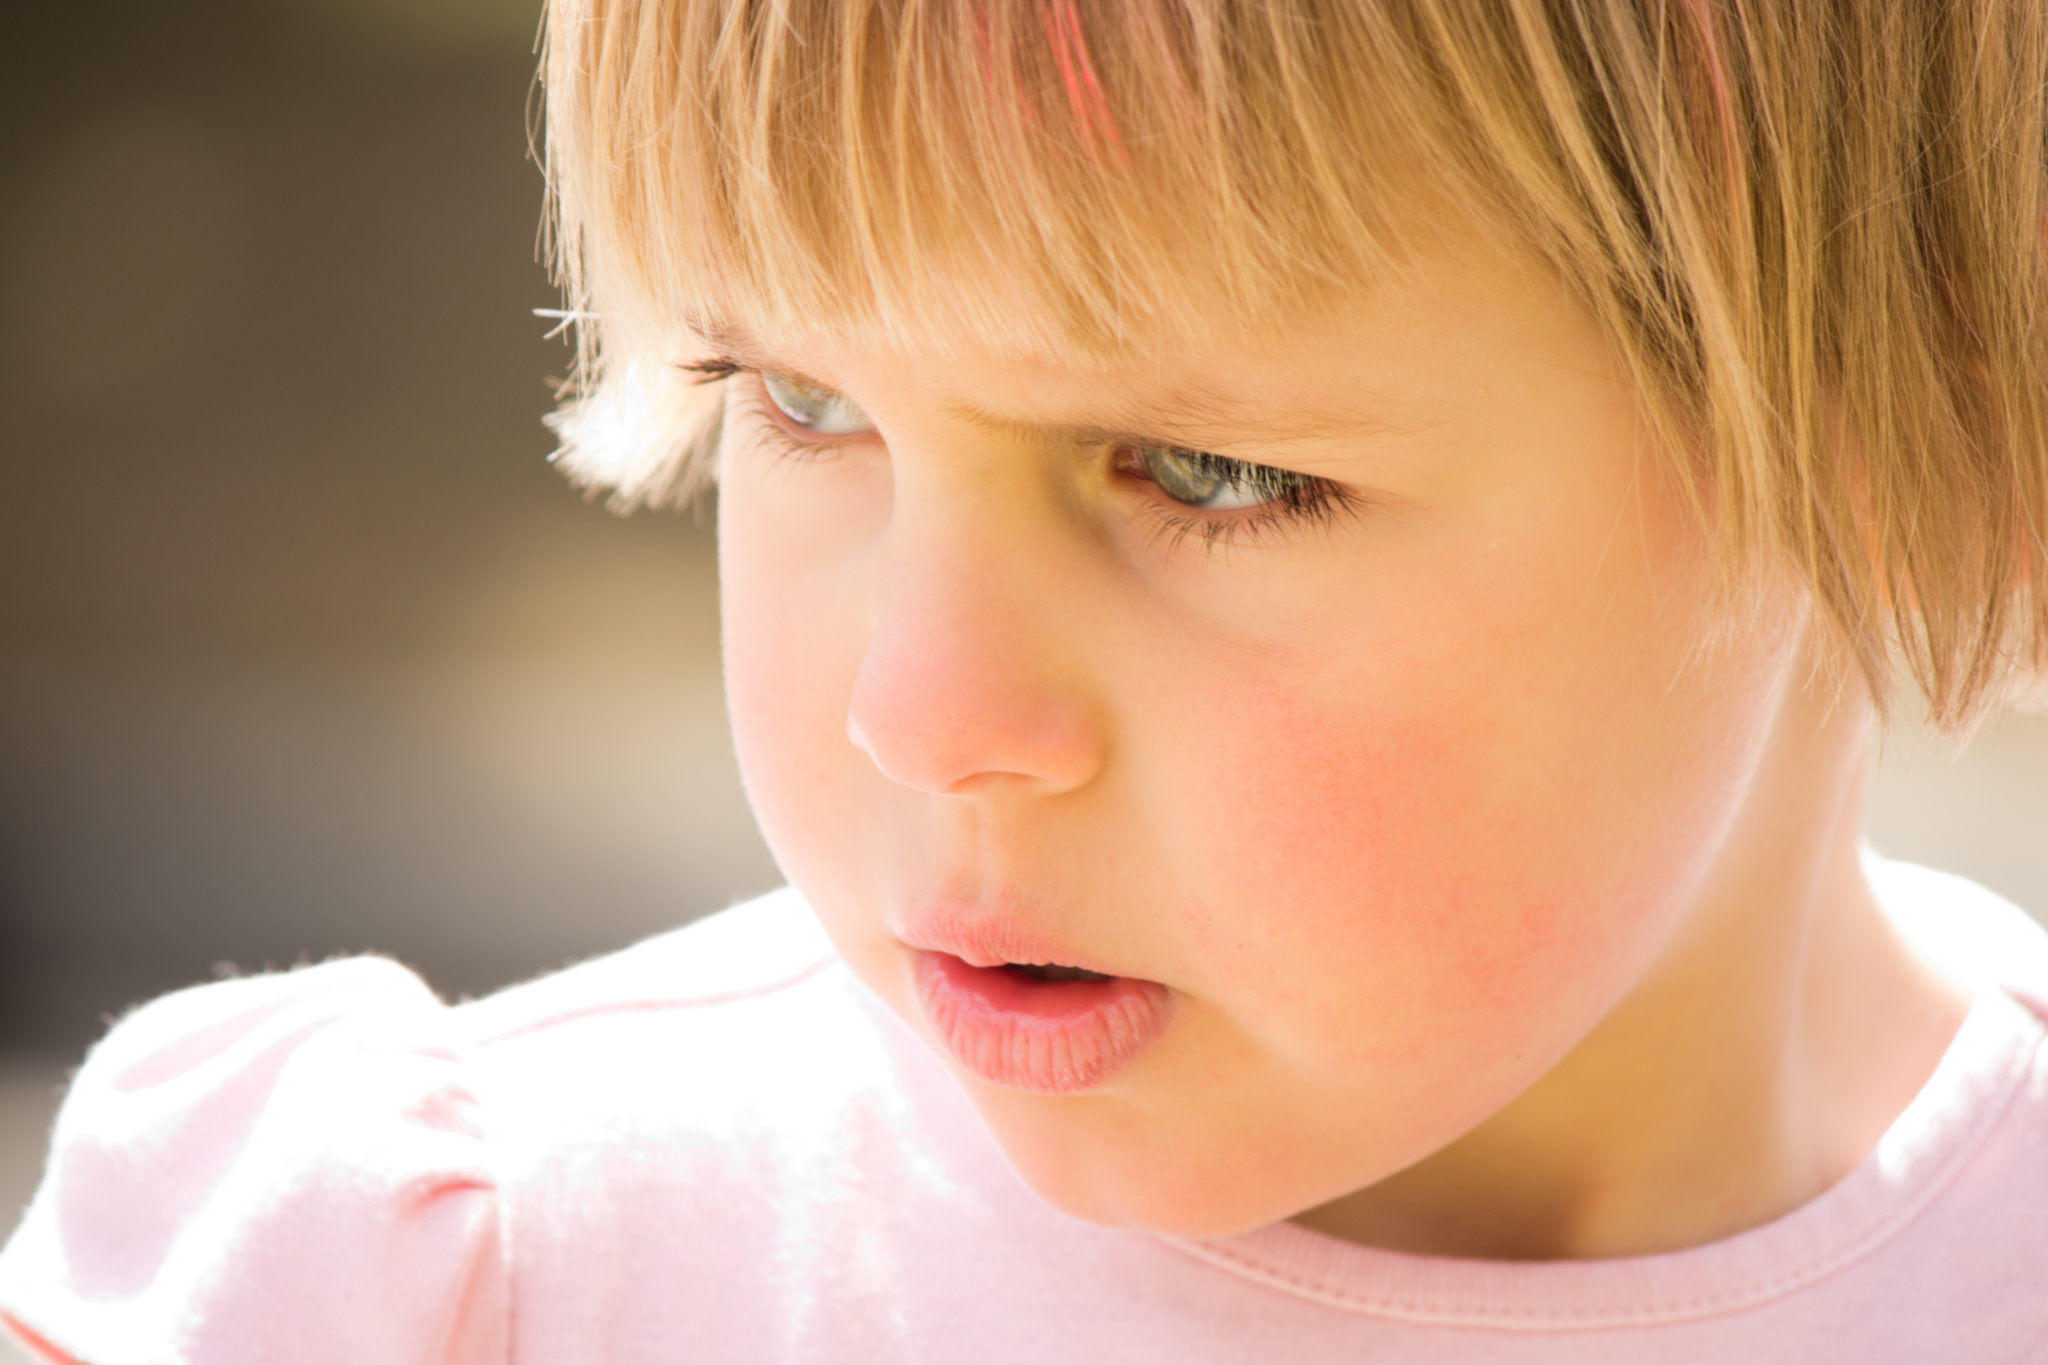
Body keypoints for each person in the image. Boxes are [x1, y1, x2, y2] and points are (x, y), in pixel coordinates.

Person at [4, 1, 2046, 1360]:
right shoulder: (464, 1282)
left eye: (1217, 474)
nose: (923, 702)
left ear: (1884, 411)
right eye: (798, 398)